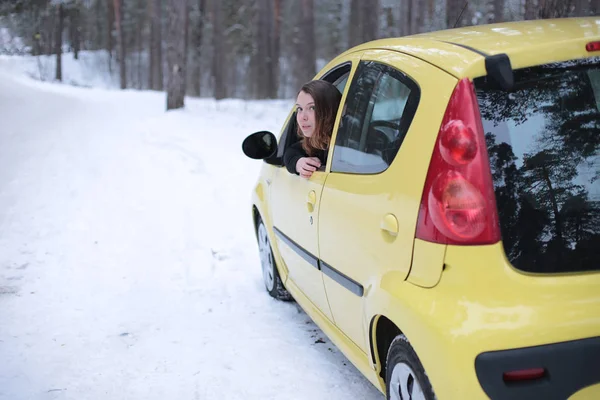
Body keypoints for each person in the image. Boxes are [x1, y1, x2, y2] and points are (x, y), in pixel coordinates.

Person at [283, 80, 342, 178]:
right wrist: (298, 163)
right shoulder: (315, 141)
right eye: (299, 109)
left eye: (312, 108)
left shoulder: (345, 146)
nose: (302, 117)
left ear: (329, 110)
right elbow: (291, 152)